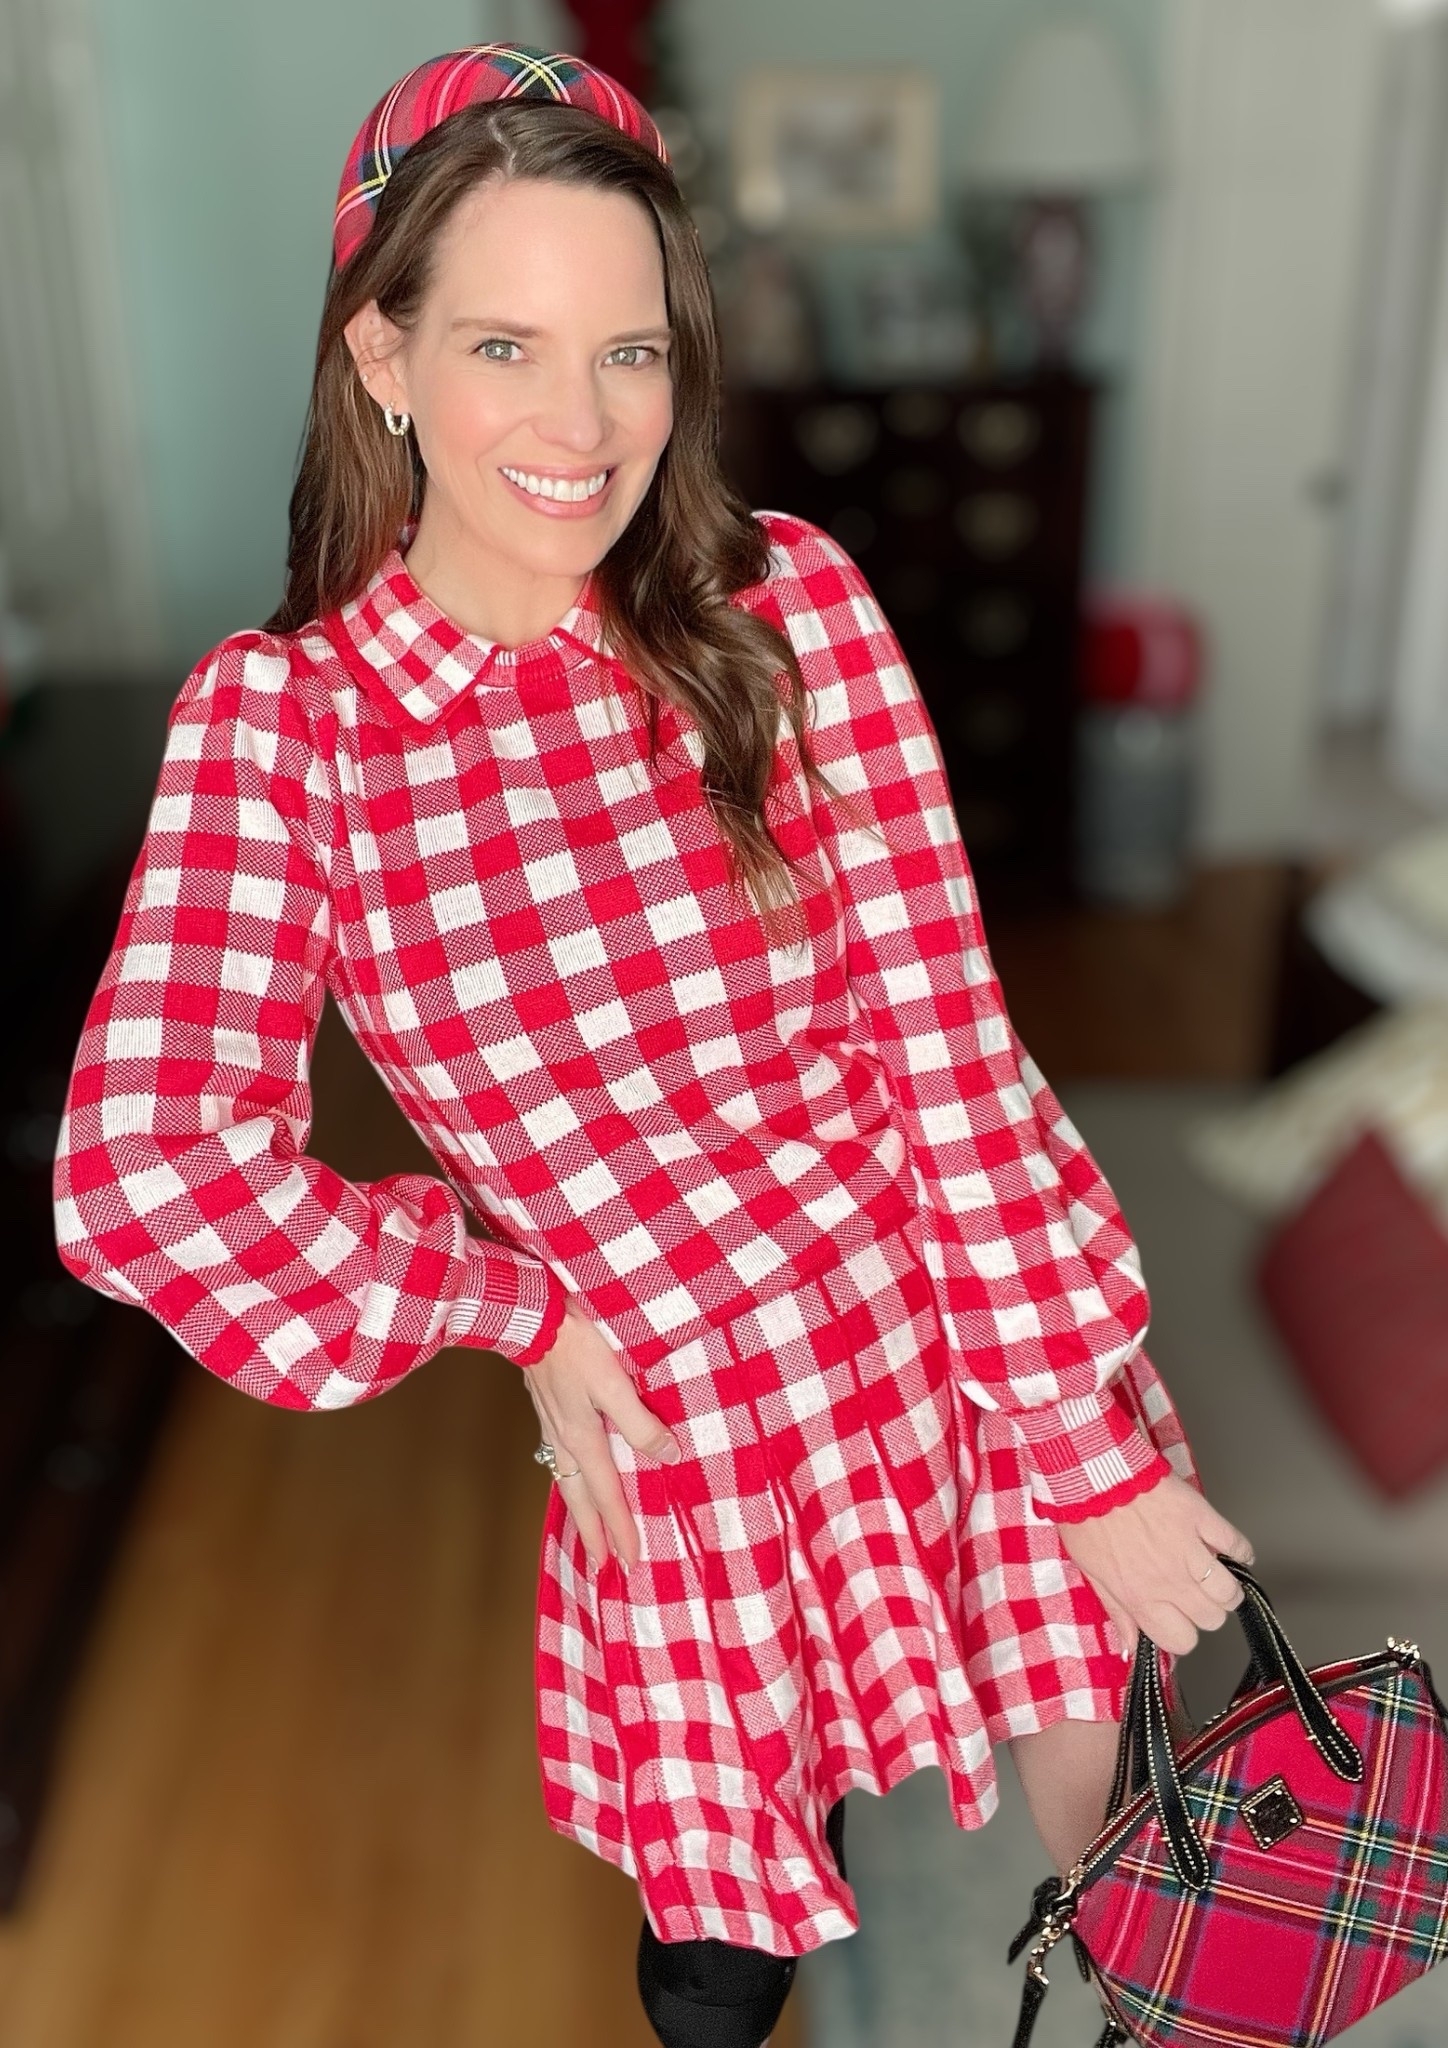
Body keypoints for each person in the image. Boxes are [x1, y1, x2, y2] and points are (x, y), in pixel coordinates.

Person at [52, 44, 1255, 2048]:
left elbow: (950, 1054)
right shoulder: (291, 732)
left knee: (1155, 1883)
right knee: (720, 1964)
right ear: (381, 357)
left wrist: (1078, 1446)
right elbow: (142, 1174)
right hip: (688, 1438)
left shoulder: (788, 607)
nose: (582, 423)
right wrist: (508, 1301)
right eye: (505, 346)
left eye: (631, 351)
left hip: (954, 1332)